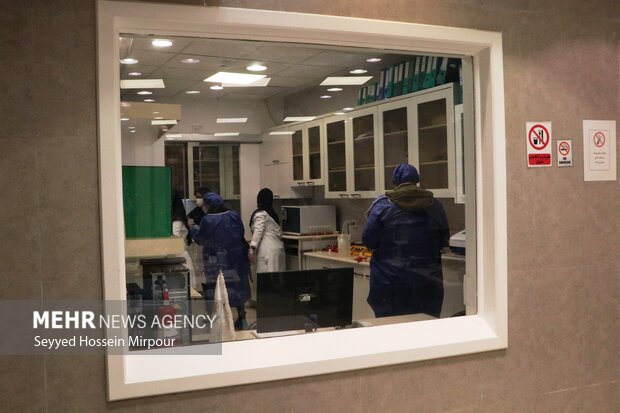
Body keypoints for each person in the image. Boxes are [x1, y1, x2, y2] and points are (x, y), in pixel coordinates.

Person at [362, 163, 449, 318]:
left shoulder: (382, 205)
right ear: (417, 180)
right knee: (425, 330)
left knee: (391, 330)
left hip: (389, 282)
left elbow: (368, 240)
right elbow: (443, 240)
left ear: (394, 182)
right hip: (426, 282)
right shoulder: (435, 205)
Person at [190, 191, 251, 330]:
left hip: (216, 258)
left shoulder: (208, 219)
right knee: (237, 285)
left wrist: (192, 230)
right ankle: (242, 317)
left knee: (217, 286)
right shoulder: (233, 214)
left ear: (208, 204)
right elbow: (241, 232)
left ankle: (218, 320)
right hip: (236, 257)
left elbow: (201, 239)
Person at [248, 188, 285, 273]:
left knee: (266, 282)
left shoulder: (261, 214)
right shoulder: (272, 214)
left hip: (267, 252)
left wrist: (252, 249)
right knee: (279, 282)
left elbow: (258, 231)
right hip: (278, 250)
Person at [170, 190, 199, 290]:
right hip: (179, 256)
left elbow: (173, 239)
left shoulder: (177, 221)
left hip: (179, 257)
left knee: (185, 287)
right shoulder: (177, 218)